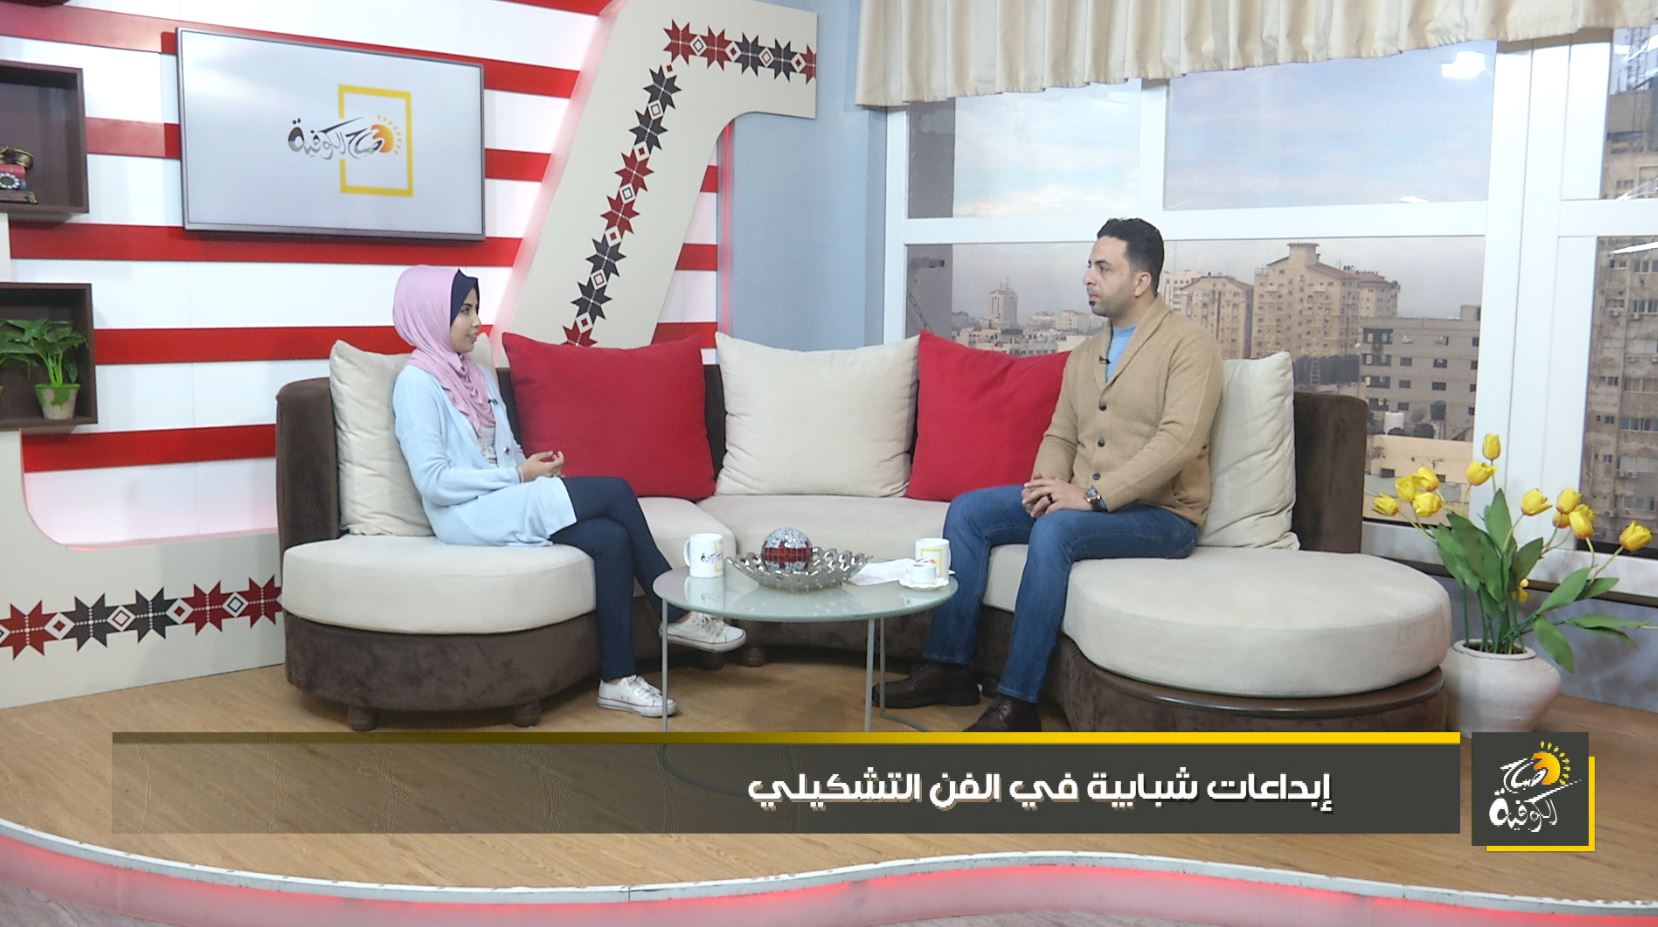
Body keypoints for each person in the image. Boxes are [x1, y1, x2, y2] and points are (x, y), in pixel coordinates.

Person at [876, 219, 1223, 732]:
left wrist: (1092, 497)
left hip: (1162, 517)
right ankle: (949, 667)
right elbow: (1061, 435)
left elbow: (1180, 441)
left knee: (1057, 531)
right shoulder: (1085, 355)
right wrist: (1044, 488)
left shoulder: (1190, 346)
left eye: (1103, 268)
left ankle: (1018, 703)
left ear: (1141, 281)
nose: (1088, 277)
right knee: (970, 513)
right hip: (1085, 503)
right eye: (1089, 265)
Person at [389, 265, 743, 718]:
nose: (477, 322)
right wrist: (519, 476)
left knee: (611, 539)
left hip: (506, 498)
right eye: (464, 311)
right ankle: (676, 613)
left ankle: (617, 679)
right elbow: (434, 481)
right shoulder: (416, 384)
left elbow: (505, 449)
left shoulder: (474, 373)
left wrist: (537, 471)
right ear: (430, 315)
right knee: (616, 491)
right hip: (465, 513)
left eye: (476, 309)